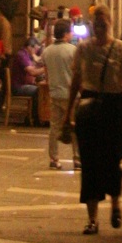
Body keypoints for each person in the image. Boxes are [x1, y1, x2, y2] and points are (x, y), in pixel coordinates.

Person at [64, 5, 122, 232]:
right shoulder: (84, 49)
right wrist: (68, 113)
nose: (100, 27)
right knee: (90, 164)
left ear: (111, 23)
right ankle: (92, 218)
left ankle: (115, 203)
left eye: (103, 22)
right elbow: (76, 81)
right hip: (89, 107)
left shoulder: (121, 48)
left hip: (114, 106)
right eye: (96, 23)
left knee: (113, 160)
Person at [41, 20, 78, 169]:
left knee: (54, 127)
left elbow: (47, 74)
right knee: (75, 126)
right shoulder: (73, 50)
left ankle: (54, 158)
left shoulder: (47, 51)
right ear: (66, 33)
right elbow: (77, 73)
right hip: (71, 95)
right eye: (70, 31)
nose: (72, 34)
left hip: (55, 93)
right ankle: (77, 158)